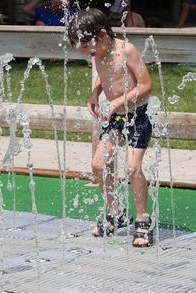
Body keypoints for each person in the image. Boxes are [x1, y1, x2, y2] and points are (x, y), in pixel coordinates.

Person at [68, 9, 154, 247]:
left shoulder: (126, 50)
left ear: (103, 35)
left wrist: (117, 102)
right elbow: (104, 75)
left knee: (132, 168)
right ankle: (116, 213)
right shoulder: (99, 51)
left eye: (87, 47)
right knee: (98, 164)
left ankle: (143, 219)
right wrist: (95, 92)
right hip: (116, 118)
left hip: (138, 115)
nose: (86, 52)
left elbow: (146, 86)